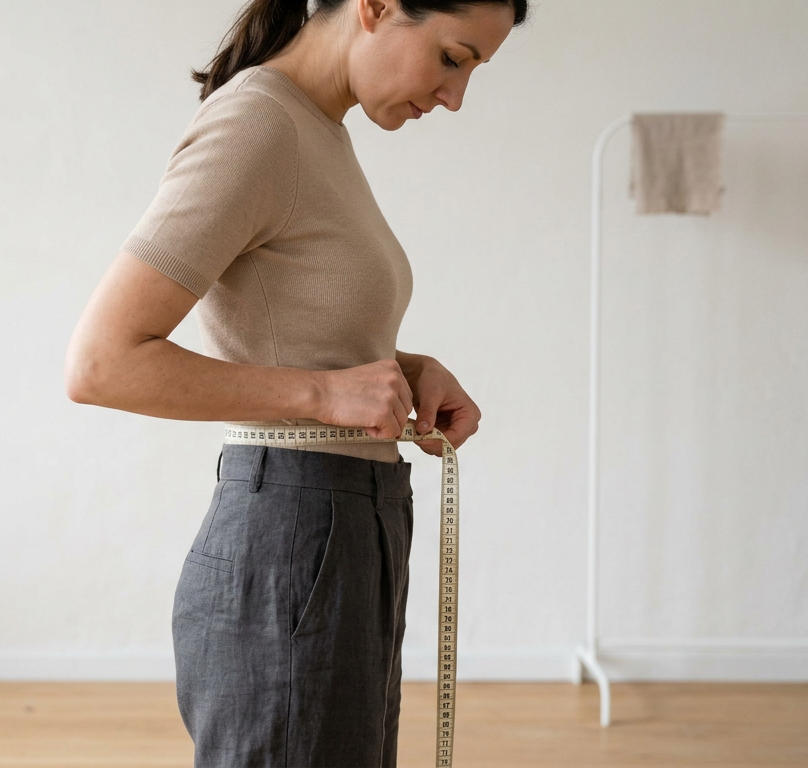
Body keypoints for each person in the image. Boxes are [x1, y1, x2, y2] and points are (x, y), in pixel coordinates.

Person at [65, 0, 527, 764]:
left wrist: (402, 368)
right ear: (376, 6)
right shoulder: (259, 124)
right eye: (453, 57)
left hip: (348, 529)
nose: (455, 96)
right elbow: (101, 362)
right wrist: (323, 396)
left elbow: (287, 326)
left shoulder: (318, 132)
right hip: (296, 539)